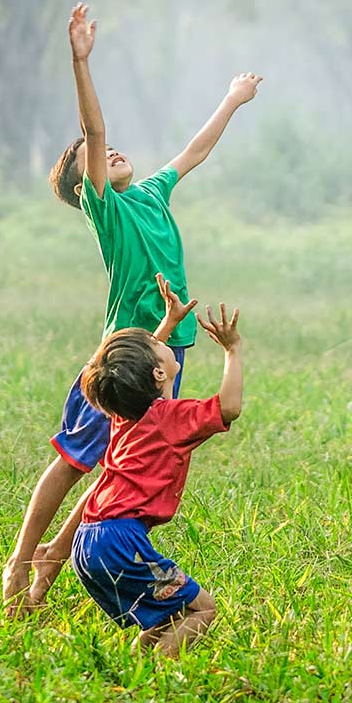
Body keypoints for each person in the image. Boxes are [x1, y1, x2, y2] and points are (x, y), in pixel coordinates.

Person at [2, 1, 261, 612]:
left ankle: (45, 579)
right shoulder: (108, 210)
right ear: (82, 185)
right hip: (123, 355)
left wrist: (232, 99)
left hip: (167, 351)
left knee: (119, 473)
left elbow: (194, 151)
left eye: (114, 149)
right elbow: (93, 131)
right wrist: (80, 61)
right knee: (73, 461)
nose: (110, 151)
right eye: (94, 158)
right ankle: (22, 564)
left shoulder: (149, 192)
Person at [72, 278, 243, 654]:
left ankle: (136, 666)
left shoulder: (125, 412)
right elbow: (229, 407)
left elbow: (137, 369)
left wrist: (166, 325)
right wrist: (232, 351)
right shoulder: (171, 419)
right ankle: (159, 676)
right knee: (203, 609)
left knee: (168, 615)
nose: (161, 341)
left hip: (87, 541)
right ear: (159, 374)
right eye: (158, 344)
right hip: (120, 542)